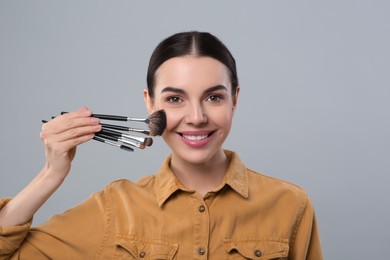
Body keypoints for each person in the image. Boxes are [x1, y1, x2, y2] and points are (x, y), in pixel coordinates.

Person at [0, 31, 323, 259]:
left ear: (234, 99)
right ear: (149, 103)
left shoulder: (290, 204)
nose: (196, 117)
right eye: (174, 99)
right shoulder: (116, 208)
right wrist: (50, 174)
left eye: (213, 97)